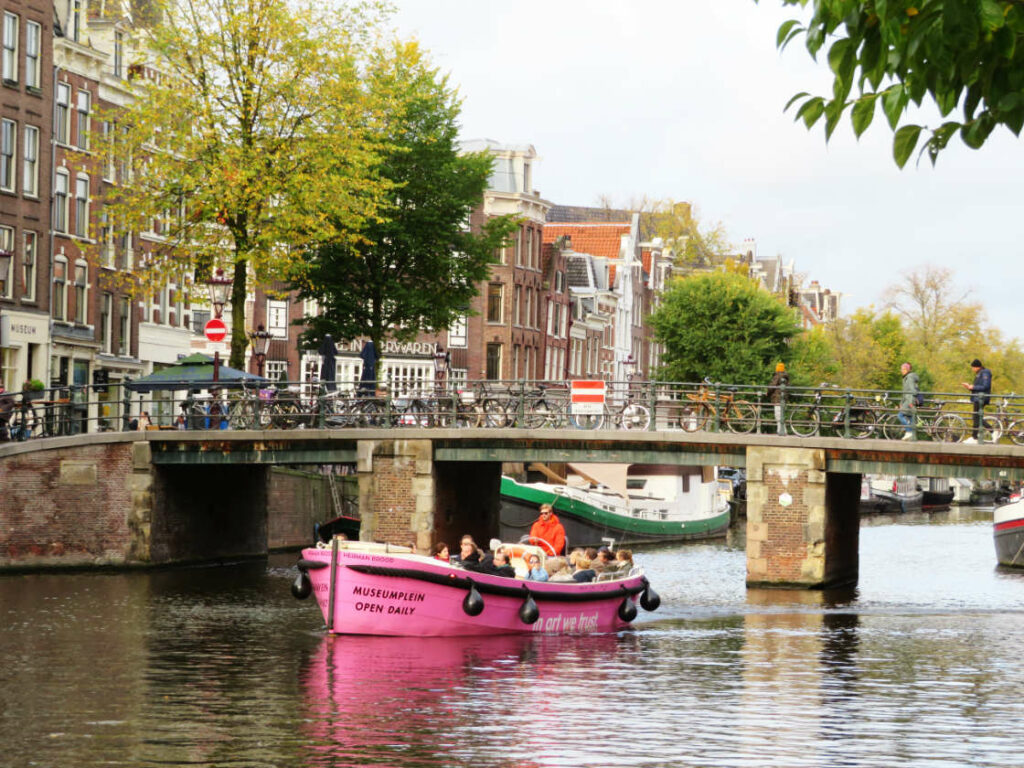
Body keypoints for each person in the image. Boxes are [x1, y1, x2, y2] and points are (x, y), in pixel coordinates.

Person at [961, 358, 992, 444]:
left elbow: (985, 386)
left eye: (973, 367)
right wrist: (970, 387)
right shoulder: (980, 374)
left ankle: (976, 437)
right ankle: (976, 436)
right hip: (978, 398)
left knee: (976, 417)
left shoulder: (985, 373)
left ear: (977, 367)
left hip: (981, 398)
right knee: (977, 417)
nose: (972, 369)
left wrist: (973, 387)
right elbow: (979, 386)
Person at [898, 362, 921, 441]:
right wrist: (901, 402)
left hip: (909, 401)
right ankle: (911, 435)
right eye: (901, 369)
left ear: (907, 370)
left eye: (904, 369)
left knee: (900, 415)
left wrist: (911, 402)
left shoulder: (909, 377)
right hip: (907, 400)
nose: (902, 370)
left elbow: (912, 391)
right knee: (911, 417)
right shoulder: (906, 377)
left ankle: (909, 431)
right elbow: (905, 392)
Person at [768, 362, 789, 435]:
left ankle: (781, 430)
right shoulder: (785, 376)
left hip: (778, 398)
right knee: (781, 414)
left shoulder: (778, 376)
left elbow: (772, 385)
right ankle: (781, 430)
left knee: (778, 414)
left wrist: (768, 392)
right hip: (783, 398)